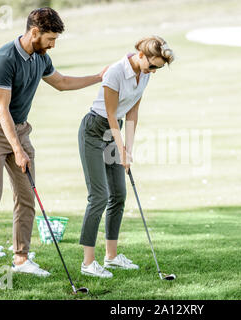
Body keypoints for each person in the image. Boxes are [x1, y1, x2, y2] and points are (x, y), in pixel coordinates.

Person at [0, 7, 108, 288]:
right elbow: (1, 109)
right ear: (34, 32)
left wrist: (97, 77)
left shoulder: (40, 58)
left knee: (26, 196)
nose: (53, 44)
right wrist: (18, 149)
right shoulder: (4, 59)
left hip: (19, 129)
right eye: (50, 38)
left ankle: (21, 259)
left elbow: (60, 82)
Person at [78, 35, 175, 278]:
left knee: (119, 194)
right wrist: (121, 149)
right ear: (141, 55)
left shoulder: (145, 75)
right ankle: (88, 263)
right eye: (152, 65)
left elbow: (132, 113)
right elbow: (111, 114)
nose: (153, 71)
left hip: (115, 132)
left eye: (158, 69)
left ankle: (110, 257)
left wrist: (128, 148)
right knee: (99, 196)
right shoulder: (115, 72)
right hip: (94, 130)